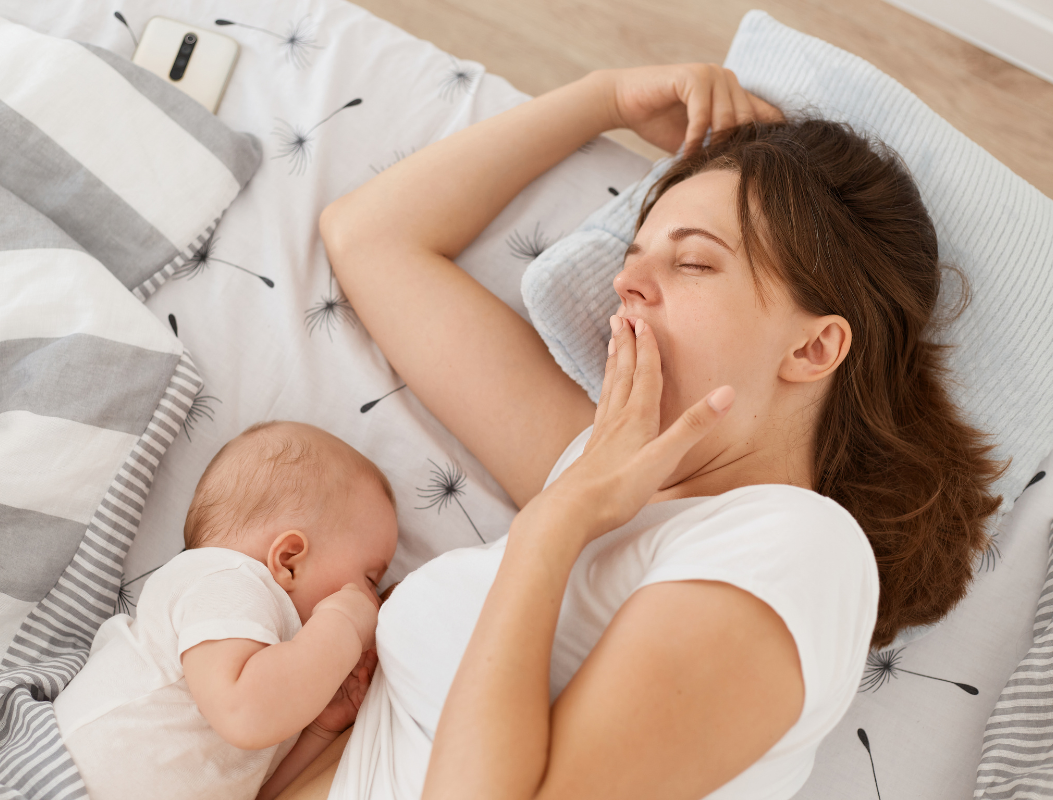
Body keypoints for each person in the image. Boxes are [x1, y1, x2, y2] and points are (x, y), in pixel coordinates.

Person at [277, 63, 1003, 799]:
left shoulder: (798, 552)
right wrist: (606, 98)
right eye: (632, 260)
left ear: (813, 349)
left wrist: (554, 527)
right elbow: (369, 236)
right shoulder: (597, 469)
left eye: (692, 261)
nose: (627, 284)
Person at [52, 421, 398, 800]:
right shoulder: (226, 579)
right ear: (289, 560)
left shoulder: (278, 673)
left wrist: (320, 729)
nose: (374, 602)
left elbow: (258, 789)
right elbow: (245, 714)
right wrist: (345, 622)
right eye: (369, 580)